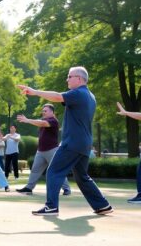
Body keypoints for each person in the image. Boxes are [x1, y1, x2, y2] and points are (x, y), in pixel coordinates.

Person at [17, 66, 112, 216]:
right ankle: (102, 205)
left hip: (73, 142)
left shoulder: (79, 93)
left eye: (69, 76)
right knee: (82, 176)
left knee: (54, 171)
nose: (67, 79)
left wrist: (34, 92)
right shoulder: (90, 95)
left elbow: (57, 96)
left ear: (79, 79)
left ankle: (51, 207)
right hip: (84, 143)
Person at [15, 104, 71, 196]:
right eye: (43, 110)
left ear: (52, 112)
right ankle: (29, 188)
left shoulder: (53, 121)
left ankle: (66, 189)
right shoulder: (43, 120)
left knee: (57, 170)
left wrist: (27, 120)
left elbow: (42, 123)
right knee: (35, 170)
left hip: (52, 150)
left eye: (46, 111)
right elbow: (40, 123)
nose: (43, 112)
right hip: (40, 151)